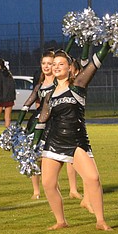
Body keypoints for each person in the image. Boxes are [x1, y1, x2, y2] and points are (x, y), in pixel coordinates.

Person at [36, 48, 112, 231]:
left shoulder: (77, 86)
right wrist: (31, 144)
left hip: (76, 141)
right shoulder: (49, 94)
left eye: (61, 64)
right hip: (54, 141)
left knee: (93, 178)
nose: (56, 67)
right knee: (48, 183)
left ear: (69, 67)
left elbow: (94, 64)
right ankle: (61, 221)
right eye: (54, 64)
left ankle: (100, 221)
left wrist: (107, 45)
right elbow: (42, 120)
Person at [19, 50, 83, 201]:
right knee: (35, 156)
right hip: (38, 122)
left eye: (50, 63)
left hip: (55, 122)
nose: (47, 66)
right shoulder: (39, 85)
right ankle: (37, 190)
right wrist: (17, 124)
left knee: (68, 155)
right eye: (44, 63)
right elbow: (27, 103)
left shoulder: (59, 83)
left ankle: (73, 189)